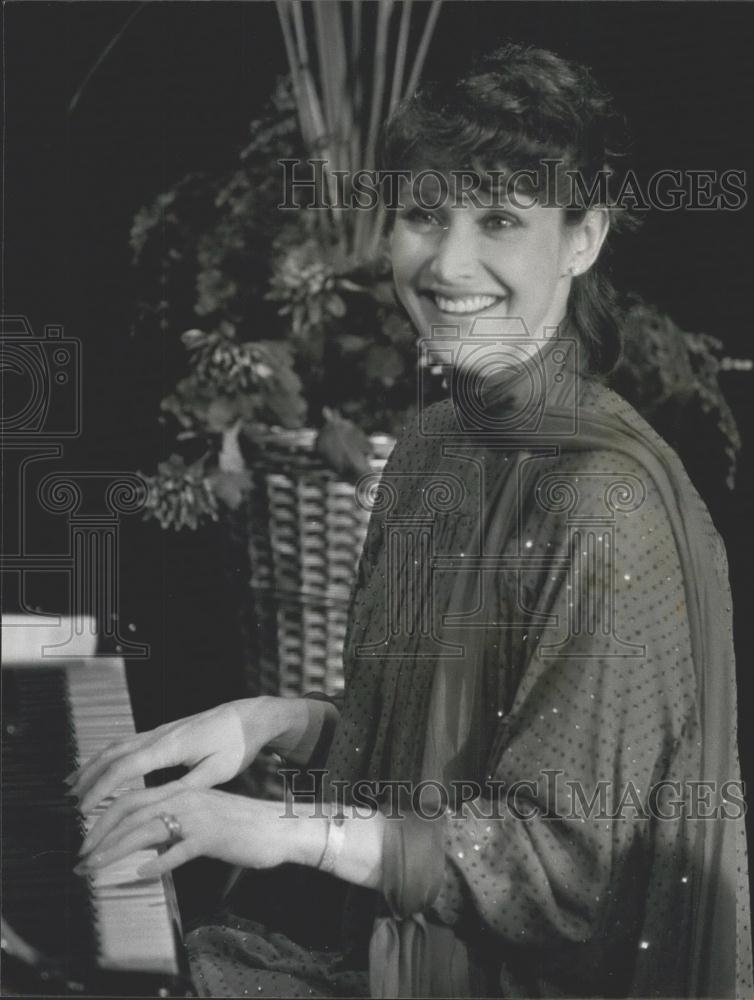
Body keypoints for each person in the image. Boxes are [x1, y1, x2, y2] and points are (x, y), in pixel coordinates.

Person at [69, 43, 751, 998]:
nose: (446, 262)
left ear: (585, 238)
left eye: (501, 219)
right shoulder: (435, 446)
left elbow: (562, 867)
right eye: (423, 214)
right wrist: (268, 721)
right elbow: (432, 755)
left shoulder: (607, 501)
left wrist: (275, 830)